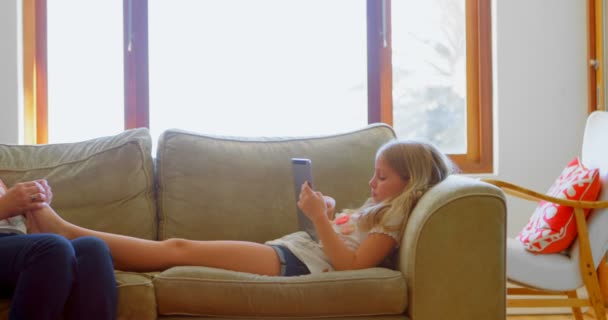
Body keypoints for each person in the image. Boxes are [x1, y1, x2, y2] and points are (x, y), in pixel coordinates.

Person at [26, 139, 455, 277]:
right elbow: (342, 244)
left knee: (178, 251)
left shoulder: (397, 217)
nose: (371, 182)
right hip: (295, 252)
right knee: (178, 251)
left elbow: (349, 265)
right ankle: (67, 231)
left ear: (410, 181)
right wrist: (323, 213)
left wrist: (322, 218)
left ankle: (66, 230)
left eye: (381, 176)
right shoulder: (387, 210)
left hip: (294, 263)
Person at [0, 179, 117, 320]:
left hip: (14, 245)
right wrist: (5, 206)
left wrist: (33, 205)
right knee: (53, 247)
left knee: (93, 249)